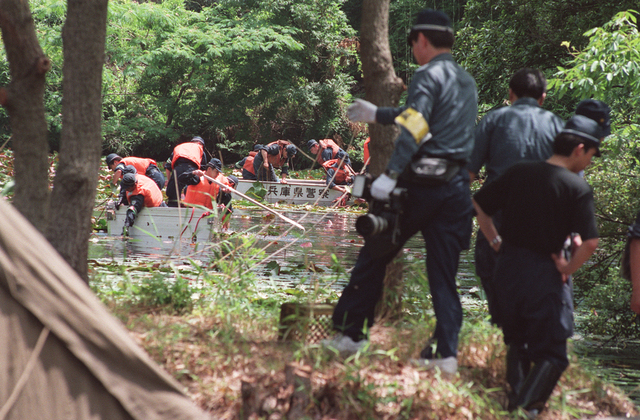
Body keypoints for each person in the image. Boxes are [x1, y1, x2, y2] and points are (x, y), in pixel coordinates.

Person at [323, 9, 478, 375]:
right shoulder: (465, 80)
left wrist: (391, 174)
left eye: (413, 46)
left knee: (376, 252)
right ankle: (446, 354)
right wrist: (379, 114)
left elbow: (418, 125)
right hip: (456, 188)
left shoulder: (427, 73)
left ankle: (351, 336)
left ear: (421, 40)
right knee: (444, 272)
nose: (414, 52)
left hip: (419, 186)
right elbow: (421, 118)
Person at [472, 114, 605, 416]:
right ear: (579, 149)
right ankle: (523, 410)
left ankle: (515, 407)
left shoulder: (520, 172)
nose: (590, 163)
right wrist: (566, 269)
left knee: (517, 343)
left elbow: (480, 204)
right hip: (543, 276)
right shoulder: (576, 187)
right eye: (591, 156)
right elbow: (591, 242)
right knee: (554, 355)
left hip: (506, 269)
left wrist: (495, 242)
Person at [466, 68, 565, 325]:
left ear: (510, 94)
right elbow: (571, 182)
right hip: (544, 224)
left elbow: (468, 173)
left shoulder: (493, 120)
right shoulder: (556, 125)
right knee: (539, 288)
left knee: (494, 275)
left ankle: (506, 329)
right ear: (543, 98)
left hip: (497, 221)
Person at [165, 136, 207, 207]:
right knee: (195, 181)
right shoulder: (200, 150)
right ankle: (189, 201)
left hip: (177, 170)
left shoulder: (179, 148)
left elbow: (167, 167)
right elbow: (202, 171)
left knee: (172, 192)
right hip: (192, 170)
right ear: (200, 143)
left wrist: (169, 180)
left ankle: (173, 206)